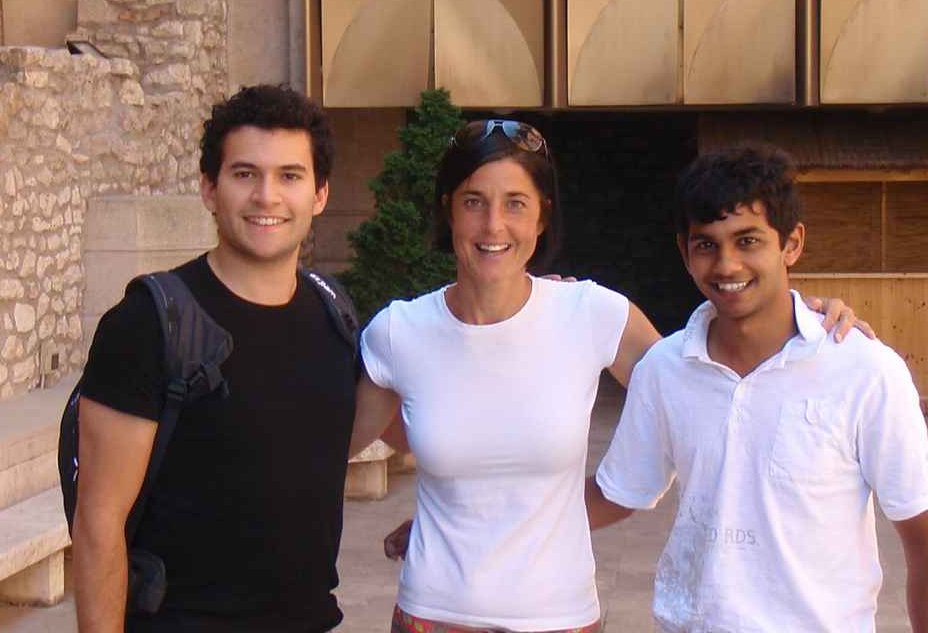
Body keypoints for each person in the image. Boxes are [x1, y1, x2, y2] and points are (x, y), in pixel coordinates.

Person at [351, 121, 869, 633]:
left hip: (560, 617)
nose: (493, 225)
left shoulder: (591, 314)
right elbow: (336, 445)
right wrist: (462, 510)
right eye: (473, 202)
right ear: (448, 210)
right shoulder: (399, 333)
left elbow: (705, 381)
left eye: (516, 203)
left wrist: (796, 317)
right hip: (432, 615)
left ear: (543, 216)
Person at [587, 144, 928, 632]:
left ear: (792, 244)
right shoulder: (665, 368)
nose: (727, 265)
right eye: (706, 245)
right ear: (684, 252)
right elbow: (617, 493)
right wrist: (499, 510)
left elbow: (926, 544)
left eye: (748, 241)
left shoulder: (865, 370)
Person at [71, 85, 354, 633]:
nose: (267, 196)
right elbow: (99, 522)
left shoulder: (333, 313)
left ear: (320, 194)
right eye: (245, 174)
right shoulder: (148, 324)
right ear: (209, 188)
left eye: (290, 176)